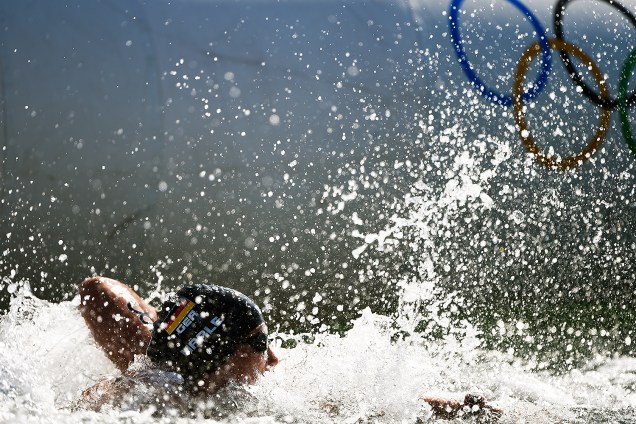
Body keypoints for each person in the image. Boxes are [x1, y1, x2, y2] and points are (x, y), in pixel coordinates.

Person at [75, 276, 502, 421]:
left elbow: (94, 289)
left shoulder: (142, 381)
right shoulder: (275, 400)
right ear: (226, 360)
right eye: (261, 343)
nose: (274, 356)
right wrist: (465, 406)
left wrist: (161, 340)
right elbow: (376, 411)